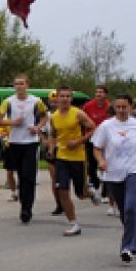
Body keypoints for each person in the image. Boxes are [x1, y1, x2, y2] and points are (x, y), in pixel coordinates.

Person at [92, 94, 136, 262]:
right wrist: (101, 161)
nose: (121, 110)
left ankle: (127, 247)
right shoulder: (106, 126)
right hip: (114, 173)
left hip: (135, 169)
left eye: (124, 107)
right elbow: (97, 148)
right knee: (124, 212)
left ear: (130, 107)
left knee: (131, 208)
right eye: (118, 107)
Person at [0, 73, 48, 223]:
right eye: (16, 84)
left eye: (22, 83)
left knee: (28, 176)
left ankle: (26, 209)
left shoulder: (36, 101)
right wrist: (12, 123)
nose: (19, 86)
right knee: (19, 175)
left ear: (27, 85)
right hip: (14, 143)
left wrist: (38, 127)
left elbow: (45, 116)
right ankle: (23, 201)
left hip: (30, 143)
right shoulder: (8, 102)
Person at [49, 85, 100, 236]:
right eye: (62, 96)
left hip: (78, 158)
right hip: (62, 157)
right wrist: (52, 149)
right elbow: (53, 134)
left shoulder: (78, 114)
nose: (65, 99)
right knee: (62, 190)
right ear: (57, 98)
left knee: (80, 193)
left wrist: (78, 141)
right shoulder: (54, 117)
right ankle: (73, 223)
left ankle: (90, 191)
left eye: (68, 96)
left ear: (71, 98)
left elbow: (93, 128)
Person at [82, 85, 111, 201]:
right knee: (92, 165)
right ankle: (95, 185)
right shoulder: (88, 106)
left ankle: (106, 191)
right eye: (97, 92)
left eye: (101, 92)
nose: (98, 94)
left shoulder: (109, 107)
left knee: (105, 165)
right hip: (91, 139)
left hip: (106, 140)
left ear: (106, 95)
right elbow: (82, 120)